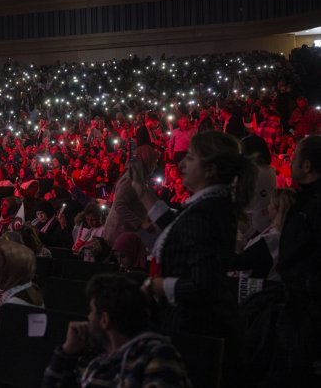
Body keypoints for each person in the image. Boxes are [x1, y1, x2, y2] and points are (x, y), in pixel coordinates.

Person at [131, 131, 257, 384]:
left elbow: (203, 285)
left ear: (210, 169)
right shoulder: (211, 205)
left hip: (194, 330)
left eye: (189, 158)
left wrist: (156, 285)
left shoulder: (207, 213)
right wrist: (141, 189)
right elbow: (178, 227)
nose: (181, 164)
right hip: (197, 326)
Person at [42, 274, 191, 388]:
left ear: (104, 320)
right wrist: (67, 353)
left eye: (92, 312)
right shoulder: (93, 356)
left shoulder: (157, 355)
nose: (87, 318)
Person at [275, 135, 321, 385]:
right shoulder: (304, 200)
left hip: (307, 307)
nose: (290, 163)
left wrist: (306, 287)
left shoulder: (313, 206)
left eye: (294, 158)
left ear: (307, 166)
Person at [101, 145, 159, 246]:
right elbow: (119, 205)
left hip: (124, 234)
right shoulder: (131, 178)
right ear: (147, 160)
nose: (156, 166)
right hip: (119, 235)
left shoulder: (137, 176)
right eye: (155, 161)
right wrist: (141, 223)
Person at [231, 188, 294, 281]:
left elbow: (240, 262)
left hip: (256, 285)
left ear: (277, 209)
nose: (267, 207)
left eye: (270, 204)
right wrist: (248, 231)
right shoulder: (280, 231)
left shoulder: (274, 238)